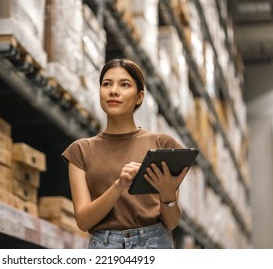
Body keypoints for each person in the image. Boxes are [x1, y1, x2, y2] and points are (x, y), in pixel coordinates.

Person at [62, 58, 189, 249]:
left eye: (124, 85)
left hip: (154, 244)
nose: (113, 90)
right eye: (106, 84)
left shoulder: (163, 145)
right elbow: (84, 221)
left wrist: (167, 193)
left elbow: (171, 222)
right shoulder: (80, 151)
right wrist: (119, 185)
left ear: (139, 97)